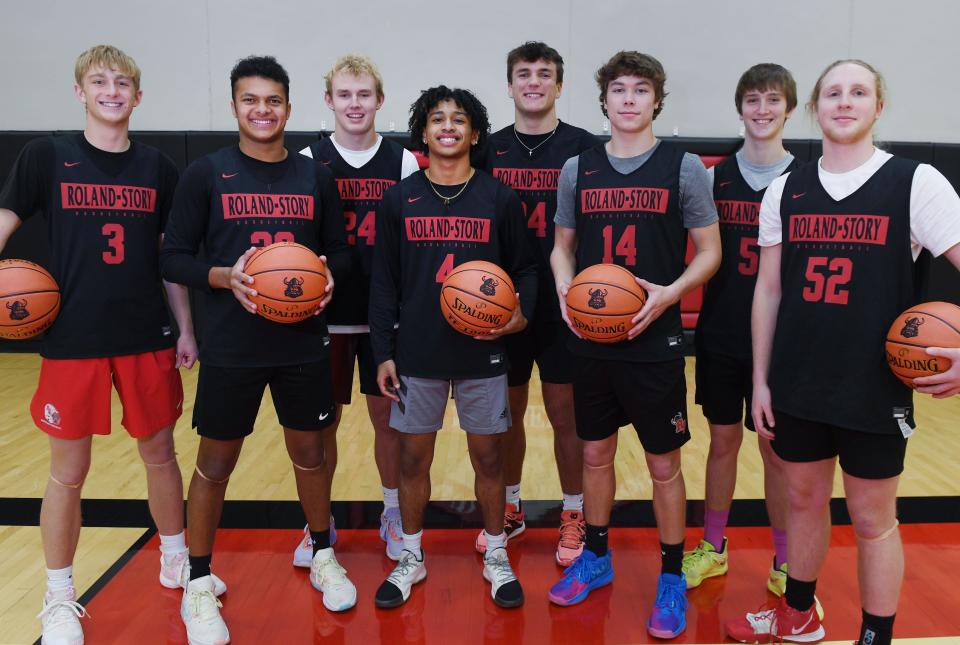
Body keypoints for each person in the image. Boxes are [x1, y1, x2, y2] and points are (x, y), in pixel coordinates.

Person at [725, 59, 960, 645]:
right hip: (798, 380)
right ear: (816, 108)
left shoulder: (915, 181)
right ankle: (798, 616)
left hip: (873, 386)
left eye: (860, 92)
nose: (845, 101)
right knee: (803, 502)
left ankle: (874, 635)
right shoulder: (788, 188)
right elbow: (769, 289)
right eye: (833, 92)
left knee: (873, 520)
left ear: (879, 106)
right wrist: (760, 380)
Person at [0, 44, 213, 645]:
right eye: (100, 81)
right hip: (72, 340)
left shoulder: (158, 168)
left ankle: (176, 558)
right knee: (67, 473)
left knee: (160, 454)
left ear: (138, 96)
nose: (112, 91)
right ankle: (59, 595)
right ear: (80, 91)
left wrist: (187, 329)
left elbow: (171, 260)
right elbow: (5, 221)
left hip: (146, 334)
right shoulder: (47, 155)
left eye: (123, 83)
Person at [160, 55, 351, 644]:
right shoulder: (206, 174)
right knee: (215, 464)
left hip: (300, 341)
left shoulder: (314, 174)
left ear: (288, 108)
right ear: (235, 105)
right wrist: (224, 277)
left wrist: (327, 276)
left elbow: (341, 251)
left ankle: (321, 552)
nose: (262, 110)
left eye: (273, 100)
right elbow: (172, 257)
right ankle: (198, 579)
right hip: (231, 345)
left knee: (312, 454)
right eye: (251, 99)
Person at [547, 51, 720, 640]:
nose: (627, 99)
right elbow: (560, 247)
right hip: (592, 340)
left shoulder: (684, 166)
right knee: (594, 456)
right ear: (603, 101)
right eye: (617, 89)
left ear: (655, 100)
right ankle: (595, 559)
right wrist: (567, 290)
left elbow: (710, 250)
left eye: (639, 90)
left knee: (663, 466)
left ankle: (671, 576)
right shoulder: (579, 168)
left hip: (655, 341)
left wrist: (669, 294)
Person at [369, 85, 537, 609]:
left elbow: (527, 268)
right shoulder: (399, 199)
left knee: (489, 456)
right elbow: (384, 283)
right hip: (417, 351)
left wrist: (519, 316)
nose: (448, 127)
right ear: (423, 132)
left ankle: (495, 552)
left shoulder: (499, 197)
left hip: (481, 350)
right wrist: (383, 352)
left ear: (475, 133)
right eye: (437, 119)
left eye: (459, 119)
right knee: (413, 457)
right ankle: (412, 555)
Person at [685, 64, 812, 605]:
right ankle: (713, 546)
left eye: (773, 101)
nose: (762, 110)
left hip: (782, 343)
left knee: (777, 451)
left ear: (789, 109)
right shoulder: (714, 179)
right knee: (722, 442)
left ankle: (784, 559)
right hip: (720, 335)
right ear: (740, 108)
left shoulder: (807, 180)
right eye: (753, 100)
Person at [292, 54, 421, 565]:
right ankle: (317, 524)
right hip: (322, 314)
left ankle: (392, 512)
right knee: (321, 426)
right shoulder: (306, 160)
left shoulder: (406, 163)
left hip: (386, 316)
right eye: (344, 94)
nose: (354, 103)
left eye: (363, 94)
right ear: (328, 101)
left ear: (379, 100)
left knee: (388, 422)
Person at [481, 41, 600, 565]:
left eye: (544, 73)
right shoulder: (487, 148)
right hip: (498, 303)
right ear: (509, 85)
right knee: (504, 413)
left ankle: (573, 511)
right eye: (523, 74)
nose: (533, 82)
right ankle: (510, 505)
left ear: (558, 85)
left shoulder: (584, 148)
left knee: (565, 414)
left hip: (561, 302)